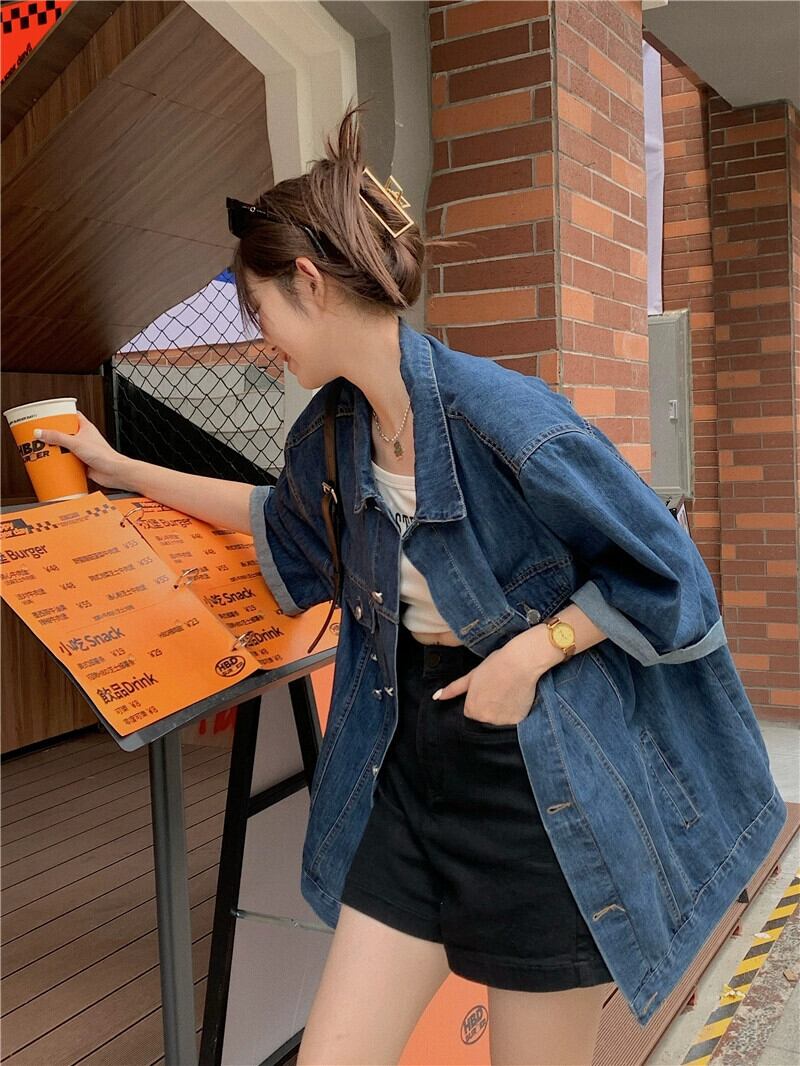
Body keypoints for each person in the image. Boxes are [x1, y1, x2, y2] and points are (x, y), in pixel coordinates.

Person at [35, 101, 786, 1066]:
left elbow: (667, 570)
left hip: (540, 780)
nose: (260, 344)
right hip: (406, 764)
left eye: (259, 313)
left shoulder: (503, 418)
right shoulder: (333, 433)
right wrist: (122, 469)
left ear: (309, 284)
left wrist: (534, 651)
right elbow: (273, 519)